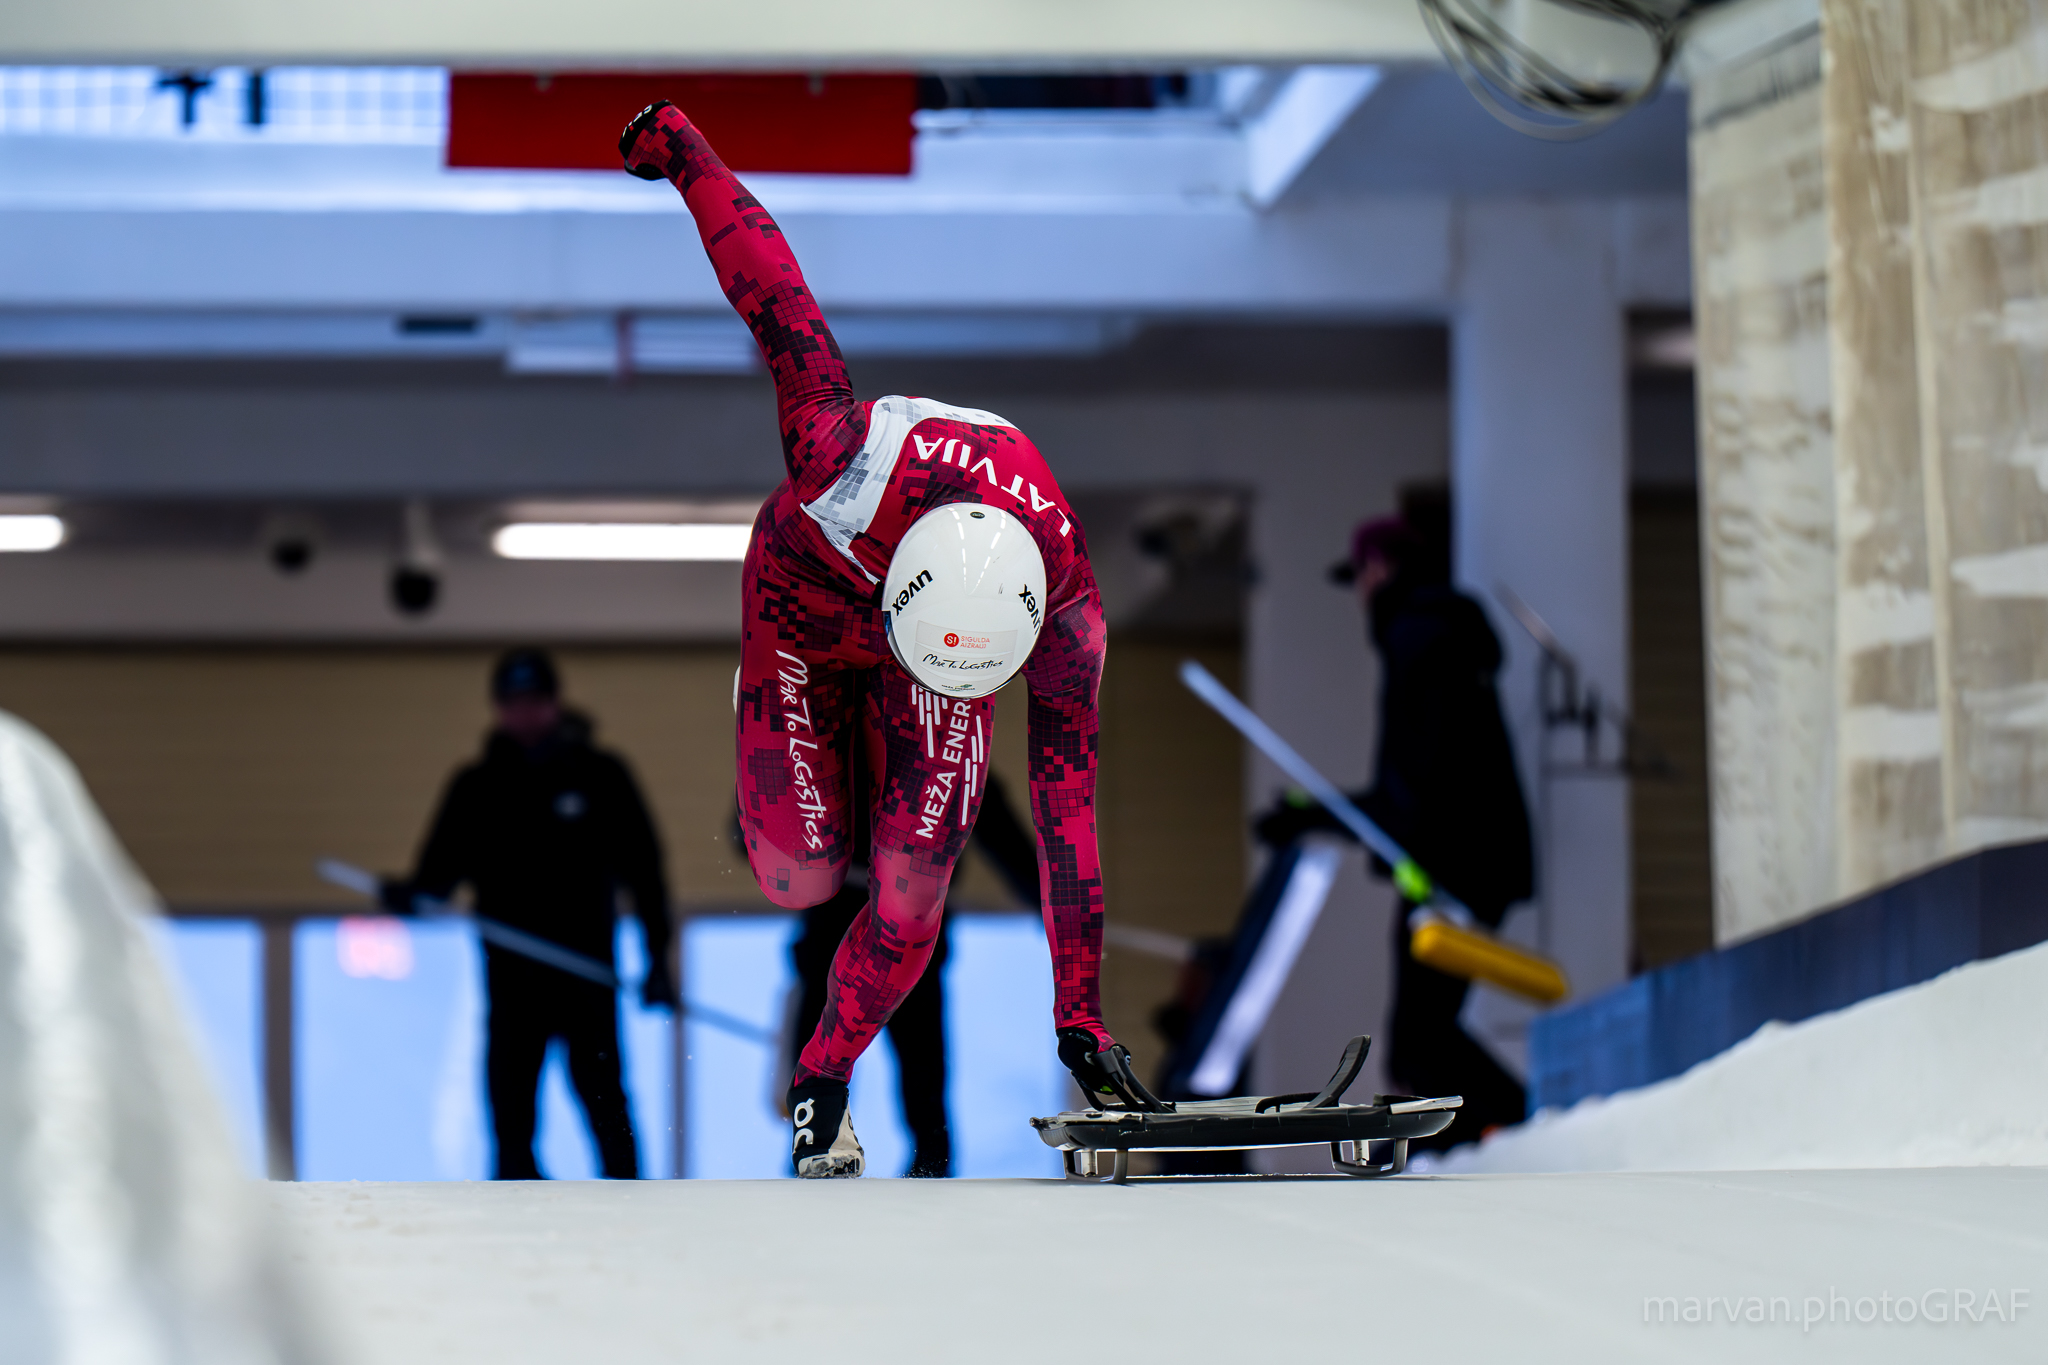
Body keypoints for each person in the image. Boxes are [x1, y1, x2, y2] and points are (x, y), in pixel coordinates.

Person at [619, 99, 1139, 1178]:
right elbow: (772, 291)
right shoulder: (841, 455)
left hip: (932, 661)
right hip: (805, 612)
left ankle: (822, 1088)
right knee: (800, 877)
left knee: (911, 898)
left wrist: (1079, 1020)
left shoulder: (1068, 615)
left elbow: (1066, 817)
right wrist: (682, 152)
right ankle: (793, 724)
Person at [1256, 516, 1533, 1148]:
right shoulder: (1438, 636)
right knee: (1421, 1041)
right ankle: (1476, 1133)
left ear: (1379, 568)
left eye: (1358, 576)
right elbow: (1417, 785)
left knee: (1417, 1046)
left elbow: (1416, 787)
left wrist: (1312, 815)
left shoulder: (1418, 639)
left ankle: (1518, 1124)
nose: (1358, 594)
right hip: (1459, 857)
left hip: (1451, 865)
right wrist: (1317, 811)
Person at [384, 648, 677, 1179]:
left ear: (555, 703)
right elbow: (436, 882)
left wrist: (659, 957)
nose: (525, 714)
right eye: (513, 703)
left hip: (587, 978)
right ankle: (514, 1234)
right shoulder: (476, 788)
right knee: (511, 1117)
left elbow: (646, 870)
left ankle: (635, 1218)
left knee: (607, 1105)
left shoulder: (601, 776)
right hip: (513, 985)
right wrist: (407, 897)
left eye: (535, 701)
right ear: (498, 709)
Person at [784, 764, 1039, 1179]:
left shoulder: (947, 753)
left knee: (921, 1076)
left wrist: (1046, 901)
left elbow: (992, 822)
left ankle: (932, 1171)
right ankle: (815, 1158)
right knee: (825, 1070)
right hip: (841, 936)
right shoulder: (823, 747)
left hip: (908, 937)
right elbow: (754, 831)